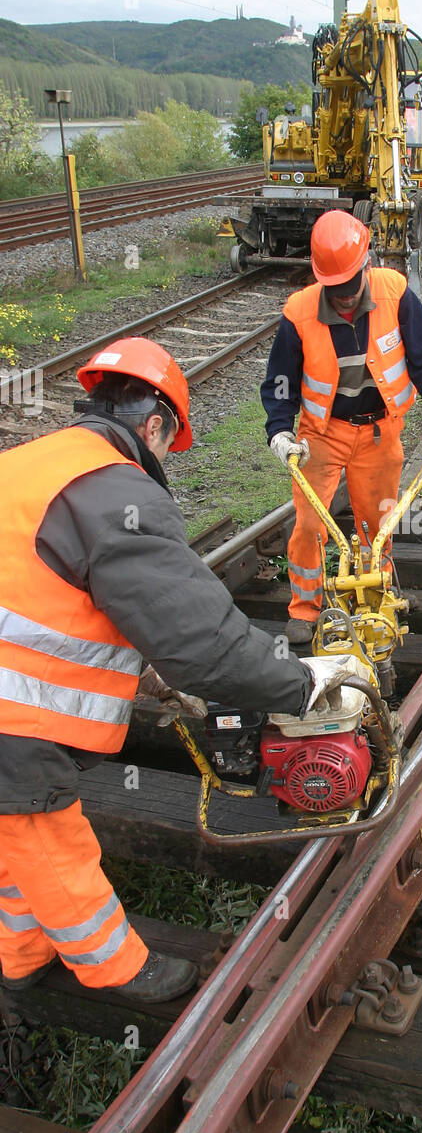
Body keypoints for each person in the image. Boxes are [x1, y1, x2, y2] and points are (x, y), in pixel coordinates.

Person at [0, 339, 352, 1004]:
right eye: (169, 445)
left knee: (11, 844)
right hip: (12, 720)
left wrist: (149, 679)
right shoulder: (111, 489)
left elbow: (42, 600)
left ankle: (18, 962)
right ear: (155, 425)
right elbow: (205, 643)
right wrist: (302, 685)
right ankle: (118, 971)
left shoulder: (32, 463)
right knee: (47, 836)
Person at [261, 210, 422, 644]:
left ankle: (377, 595)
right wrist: (280, 429)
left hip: (378, 432)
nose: (345, 298)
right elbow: (280, 379)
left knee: (377, 525)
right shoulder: (298, 314)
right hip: (321, 435)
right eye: (334, 290)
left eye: (350, 288)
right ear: (321, 280)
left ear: (366, 267)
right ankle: (305, 608)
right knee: (311, 526)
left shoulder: (395, 293)